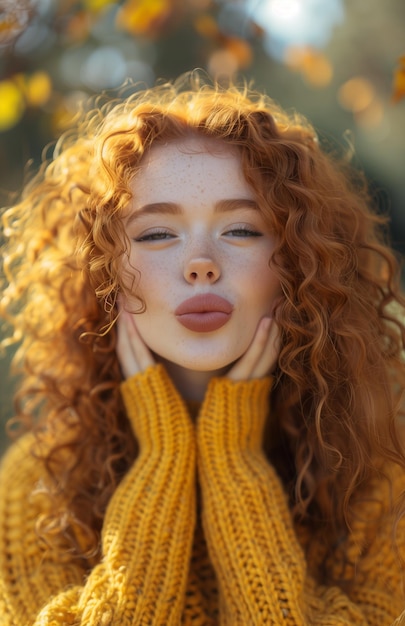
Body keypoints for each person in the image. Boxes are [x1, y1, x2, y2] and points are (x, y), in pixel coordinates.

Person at [0, 72, 405, 626]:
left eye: (241, 230)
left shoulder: (382, 473)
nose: (201, 262)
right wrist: (164, 459)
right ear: (105, 273)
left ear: (300, 260)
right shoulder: (37, 488)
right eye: (156, 234)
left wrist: (234, 462)